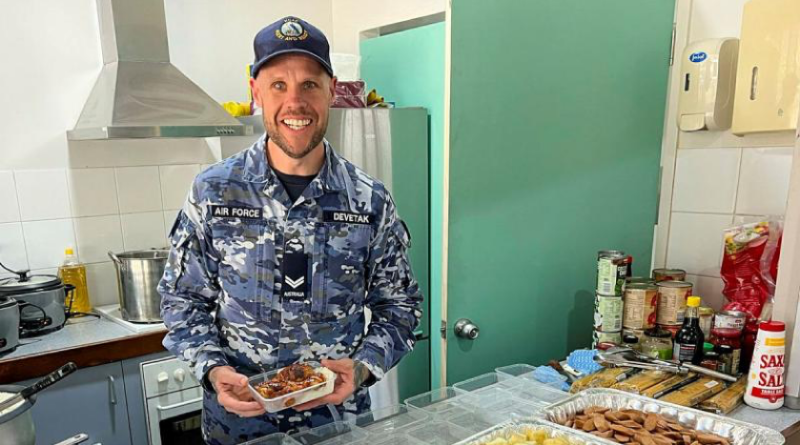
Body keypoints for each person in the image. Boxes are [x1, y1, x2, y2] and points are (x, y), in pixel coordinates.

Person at [158, 16, 423, 445]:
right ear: (256, 92)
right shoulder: (214, 191)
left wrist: (363, 367)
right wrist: (211, 369)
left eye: (309, 85)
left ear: (331, 91)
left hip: (339, 425)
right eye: (278, 84)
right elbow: (181, 298)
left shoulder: (369, 201)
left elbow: (401, 308)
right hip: (239, 429)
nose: (295, 102)